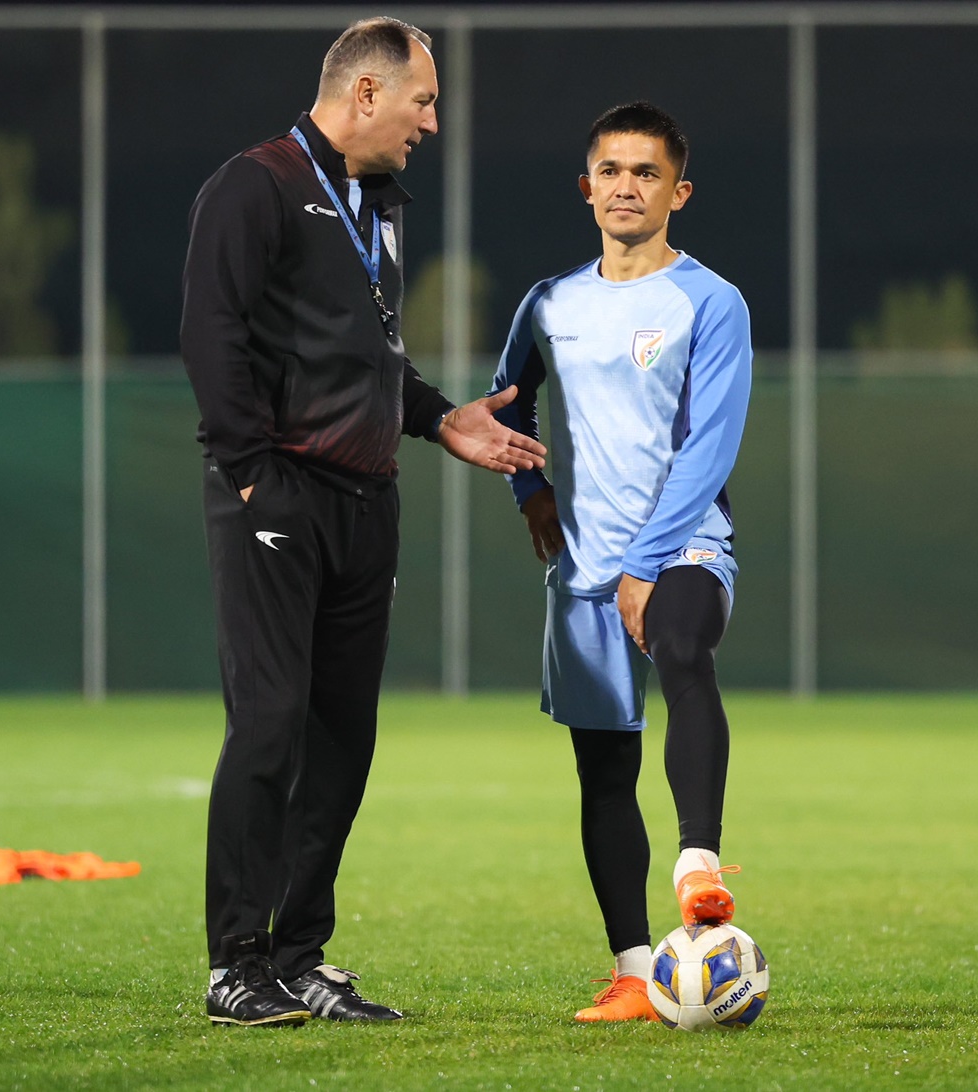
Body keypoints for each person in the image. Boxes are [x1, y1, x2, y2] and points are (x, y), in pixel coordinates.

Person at [180, 17, 545, 1027]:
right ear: (367, 94)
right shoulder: (253, 185)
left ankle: (299, 957)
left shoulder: (372, 200)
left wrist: (439, 419)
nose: (432, 122)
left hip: (364, 500)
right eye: (422, 101)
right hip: (278, 497)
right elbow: (210, 332)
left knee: (342, 741)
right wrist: (250, 478)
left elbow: (368, 355)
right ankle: (233, 965)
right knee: (267, 728)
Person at [490, 101, 752, 1022]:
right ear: (586, 186)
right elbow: (506, 403)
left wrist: (646, 561)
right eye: (611, 170)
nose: (626, 187)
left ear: (678, 191)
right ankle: (636, 972)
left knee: (685, 651)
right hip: (586, 567)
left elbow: (710, 447)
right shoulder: (551, 302)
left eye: (646, 173)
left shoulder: (710, 302)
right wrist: (533, 496)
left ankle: (699, 865)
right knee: (603, 772)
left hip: (682, 547)